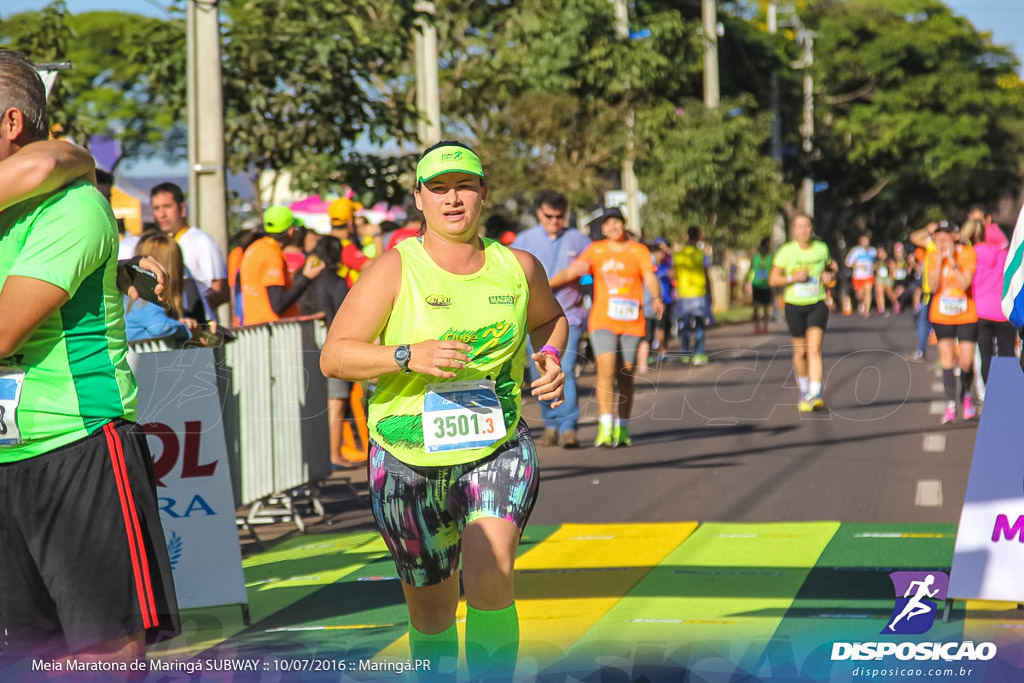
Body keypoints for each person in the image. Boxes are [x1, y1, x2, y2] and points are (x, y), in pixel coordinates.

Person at [319, 141, 567, 681]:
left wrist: (548, 356)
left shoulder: (518, 267)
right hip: (406, 458)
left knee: (491, 579)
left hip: (497, 447)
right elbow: (334, 356)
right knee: (431, 616)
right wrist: (407, 355)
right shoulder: (393, 269)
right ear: (420, 199)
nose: (452, 199)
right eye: (439, 188)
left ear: (483, 194)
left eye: (464, 186)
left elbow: (550, 319)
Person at [0, 48, 179, 662]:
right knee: (29, 655)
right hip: (6, 457)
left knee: (105, 648)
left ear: (11, 123)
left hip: (77, 446)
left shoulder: (72, 206)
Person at [552, 207, 663, 447]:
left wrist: (656, 297)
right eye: (608, 224)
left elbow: (650, 276)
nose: (613, 227)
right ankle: (605, 426)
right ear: (603, 229)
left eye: (617, 222)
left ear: (624, 225)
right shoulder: (597, 250)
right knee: (606, 368)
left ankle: (622, 427)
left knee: (626, 372)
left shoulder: (639, 250)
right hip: (602, 320)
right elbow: (574, 271)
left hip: (632, 322)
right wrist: (545, 285)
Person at [511, 190, 591, 448]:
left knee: (563, 369)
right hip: (532, 320)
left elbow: (590, 276)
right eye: (549, 216)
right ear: (539, 214)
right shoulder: (523, 241)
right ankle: (551, 425)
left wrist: (583, 278)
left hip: (570, 317)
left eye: (559, 216)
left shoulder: (580, 240)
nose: (555, 221)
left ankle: (569, 427)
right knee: (539, 371)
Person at [769, 214, 838, 412]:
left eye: (807, 226)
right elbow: (773, 280)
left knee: (814, 349)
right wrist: (793, 277)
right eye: (799, 227)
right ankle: (804, 390)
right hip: (794, 304)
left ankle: (815, 394)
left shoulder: (821, 249)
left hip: (817, 302)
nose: (804, 230)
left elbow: (832, 268)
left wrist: (829, 275)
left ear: (812, 228)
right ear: (793, 230)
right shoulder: (786, 252)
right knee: (800, 353)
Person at [310, 235, 358, 469]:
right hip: (332, 346)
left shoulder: (312, 281)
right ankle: (334, 455)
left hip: (309, 342)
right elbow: (345, 316)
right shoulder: (338, 282)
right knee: (336, 401)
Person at [926, 221, 978, 424]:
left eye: (946, 236)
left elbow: (965, 283)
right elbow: (933, 286)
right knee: (947, 359)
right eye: (938, 237)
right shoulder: (932, 256)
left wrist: (952, 260)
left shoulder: (967, 253)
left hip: (966, 314)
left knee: (966, 360)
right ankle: (950, 405)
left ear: (954, 237)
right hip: (942, 315)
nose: (942, 240)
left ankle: (966, 395)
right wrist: (940, 259)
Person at [238, 205, 325, 326]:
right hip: (273, 331)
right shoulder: (271, 254)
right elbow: (277, 305)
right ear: (291, 231)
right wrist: (306, 278)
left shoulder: (255, 248)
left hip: (256, 328)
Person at [150, 181, 229, 308]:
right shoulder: (155, 245)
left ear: (182, 208)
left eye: (167, 206)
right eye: (156, 208)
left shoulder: (201, 241)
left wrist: (190, 309)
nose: (162, 214)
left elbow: (221, 291)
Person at [961, 219, 1014, 390]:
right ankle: (1009, 393)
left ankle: (991, 393)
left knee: (986, 356)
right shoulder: (1003, 254)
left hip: (980, 311)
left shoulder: (970, 254)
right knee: (1008, 355)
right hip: (1003, 311)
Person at [124, 233, 198, 343]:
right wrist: (187, 329)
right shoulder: (141, 299)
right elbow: (161, 327)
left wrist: (180, 323)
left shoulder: (136, 297)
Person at [672, 227, 711, 365]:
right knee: (700, 324)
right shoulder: (701, 255)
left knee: (684, 325)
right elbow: (707, 275)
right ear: (698, 237)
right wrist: (710, 293)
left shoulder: (678, 255)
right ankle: (700, 354)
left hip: (683, 294)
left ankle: (686, 354)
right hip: (699, 293)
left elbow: (673, 274)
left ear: (686, 236)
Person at [845, 233, 877, 317]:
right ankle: (861, 302)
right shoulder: (856, 251)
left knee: (868, 291)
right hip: (858, 276)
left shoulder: (872, 251)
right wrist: (858, 266)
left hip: (869, 275)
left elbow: (875, 261)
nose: (865, 242)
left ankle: (867, 310)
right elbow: (848, 263)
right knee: (860, 294)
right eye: (863, 241)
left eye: (866, 240)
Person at [747, 237, 773, 335]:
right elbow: (751, 270)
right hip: (756, 285)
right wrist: (749, 282)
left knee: (765, 308)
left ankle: (765, 327)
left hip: (766, 286)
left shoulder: (770, 257)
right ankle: (757, 327)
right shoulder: (755, 257)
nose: (764, 249)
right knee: (756, 307)